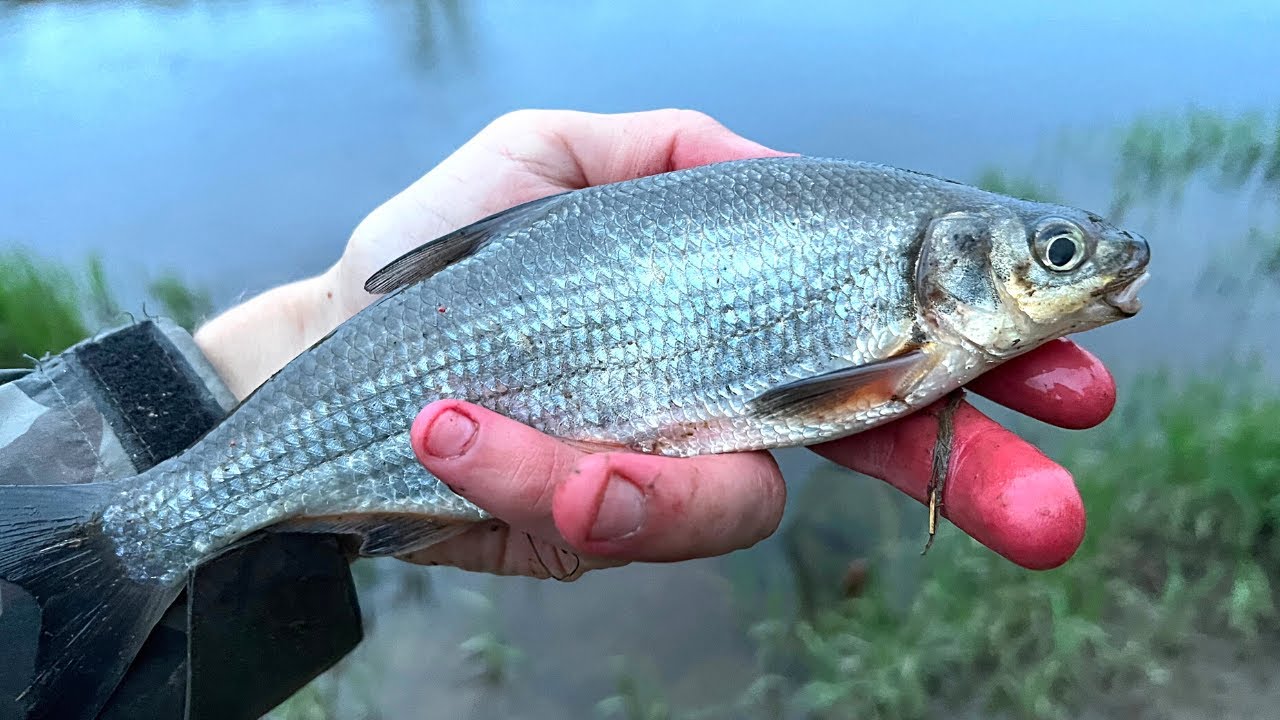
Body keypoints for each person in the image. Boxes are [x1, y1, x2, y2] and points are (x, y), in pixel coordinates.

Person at [195, 108, 1115, 577]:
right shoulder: (911, 297)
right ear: (947, 260)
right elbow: (811, 401)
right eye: (1060, 253)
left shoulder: (904, 237)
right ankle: (192, 509)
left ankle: (202, 502)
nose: (1083, 267)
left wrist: (244, 383)